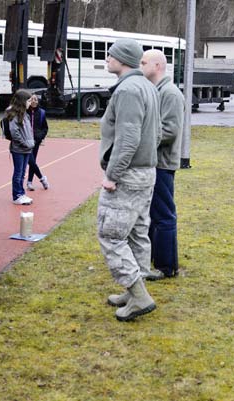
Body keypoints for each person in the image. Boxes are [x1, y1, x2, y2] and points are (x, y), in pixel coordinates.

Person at [97, 39, 161, 321]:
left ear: (122, 59)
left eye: (111, 55)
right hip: (145, 172)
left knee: (111, 234)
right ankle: (133, 287)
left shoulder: (129, 90)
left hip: (129, 174)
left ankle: (139, 295)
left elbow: (128, 138)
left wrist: (113, 175)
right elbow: (155, 134)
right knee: (135, 232)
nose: (107, 58)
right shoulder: (146, 86)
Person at [140, 49, 184, 280]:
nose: (140, 66)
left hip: (162, 163)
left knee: (164, 214)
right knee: (154, 214)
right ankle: (155, 261)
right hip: (153, 161)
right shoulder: (157, 91)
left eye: (143, 62)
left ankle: (166, 267)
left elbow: (170, 130)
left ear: (157, 66)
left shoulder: (170, 94)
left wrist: (141, 140)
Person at [6, 89, 35, 205]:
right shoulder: (14, 115)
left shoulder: (26, 115)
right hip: (18, 149)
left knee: (23, 173)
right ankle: (16, 195)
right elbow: (15, 132)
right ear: (22, 102)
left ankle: (21, 193)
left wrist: (31, 142)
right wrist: (24, 143)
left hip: (27, 149)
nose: (30, 103)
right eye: (28, 101)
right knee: (18, 173)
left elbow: (28, 130)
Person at [26, 94, 49, 191]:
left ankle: (29, 182)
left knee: (32, 161)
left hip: (36, 141)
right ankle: (42, 178)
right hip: (26, 141)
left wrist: (40, 136)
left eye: (35, 99)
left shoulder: (42, 113)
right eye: (31, 99)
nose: (33, 101)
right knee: (30, 161)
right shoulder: (24, 112)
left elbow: (45, 127)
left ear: (38, 101)